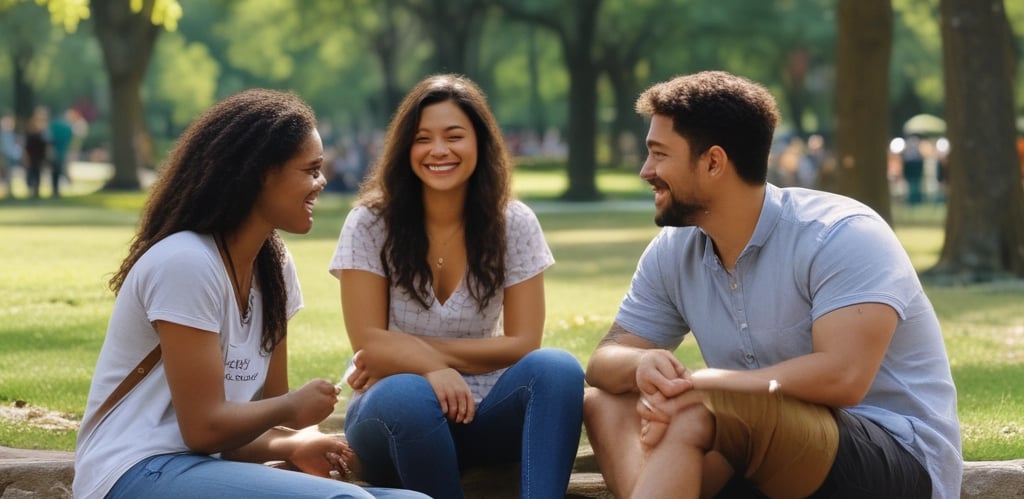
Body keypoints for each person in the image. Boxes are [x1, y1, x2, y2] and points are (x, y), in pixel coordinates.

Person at [582, 71, 961, 499]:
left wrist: (706, 386)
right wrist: (642, 366)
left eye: (659, 154)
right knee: (605, 401)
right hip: (753, 446)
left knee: (699, 409)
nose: (645, 171)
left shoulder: (840, 234)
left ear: (712, 163)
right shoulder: (673, 250)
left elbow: (844, 378)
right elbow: (603, 362)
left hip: (890, 458)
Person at [73, 89, 428, 499]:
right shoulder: (186, 263)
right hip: (133, 472)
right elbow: (204, 428)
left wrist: (298, 441)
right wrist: (292, 408)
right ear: (260, 173)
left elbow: (246, 433)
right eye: (310, 169)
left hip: (204, 467)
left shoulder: (273, 269)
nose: (322, 181)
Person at [329, 73, 585, 498]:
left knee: (558, 368)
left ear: (480, 144)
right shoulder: (369, 223)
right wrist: (431, 371)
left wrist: (415, 352)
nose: (439, 150)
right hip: (392, 417)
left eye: (454, 136)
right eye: (422, 138)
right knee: (409, 392)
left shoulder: (514, 223)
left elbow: (524, 344)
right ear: (404, 148)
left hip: (483, 414)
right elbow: (369, 344)